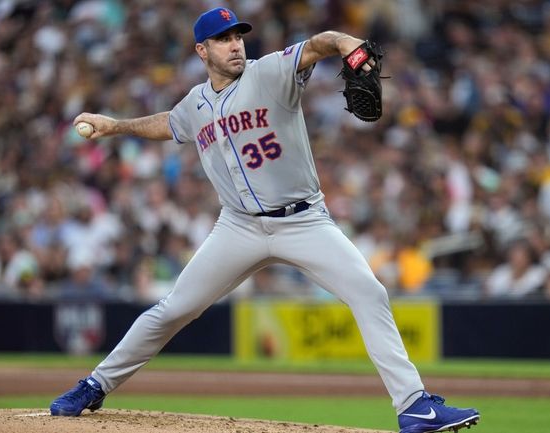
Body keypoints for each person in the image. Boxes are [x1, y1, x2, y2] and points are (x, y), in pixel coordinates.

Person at [49, 7, 480, 433]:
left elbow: (318, 44)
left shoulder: (269, 72)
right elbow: (169, 124)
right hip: (237, 227)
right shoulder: (196, 103)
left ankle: (414, 406)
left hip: (303, 221)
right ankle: (95, 384)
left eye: (238, 36)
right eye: (223, 39)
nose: (235, 44)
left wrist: (347, 44)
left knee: (369, 292)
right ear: (202, 50)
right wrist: (115, 125)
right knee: (173, 310)